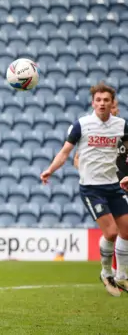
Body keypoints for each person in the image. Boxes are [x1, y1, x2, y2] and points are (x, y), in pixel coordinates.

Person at [41, 82, 128, 295]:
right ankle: (106, 272)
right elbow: (64, 152)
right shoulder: (82, 124)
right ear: (93, 102)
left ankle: (122, 276)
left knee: (126, 231)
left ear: (112, 103)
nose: (102, 104)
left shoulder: (122, 125)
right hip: (91, 188)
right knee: (111, 232)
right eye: (98, 100)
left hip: (114, 186)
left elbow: (126, 154)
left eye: (106, 100)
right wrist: (50, 170)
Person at [73, 96, 125, 289]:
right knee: (114, 232)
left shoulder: (119, 132)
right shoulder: (95, 132)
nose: (113, 109)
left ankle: (118, 274)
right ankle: (112, 274)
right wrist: (89, 172)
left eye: (114, 105)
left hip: (119, 185)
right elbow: (77, 159)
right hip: (103, 186)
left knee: (123, 232)